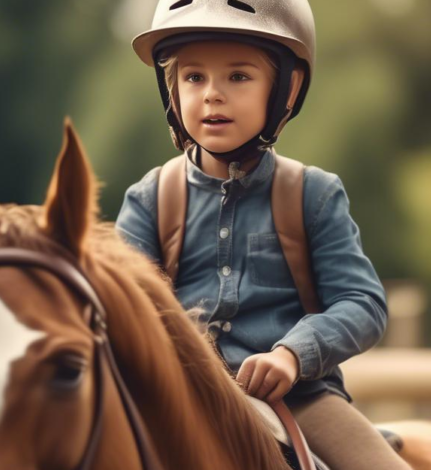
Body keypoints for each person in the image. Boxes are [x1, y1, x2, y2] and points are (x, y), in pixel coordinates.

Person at [116, 1, 411, 469]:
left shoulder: (313, 194)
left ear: (285, 91)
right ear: (171, 90)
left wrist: (294, 355)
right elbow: (121, 311)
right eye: (194, 78)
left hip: (301, 399)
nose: (212, 95)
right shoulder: (149, 200)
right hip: (179, 400)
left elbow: (363, 302)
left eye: (237, 77)